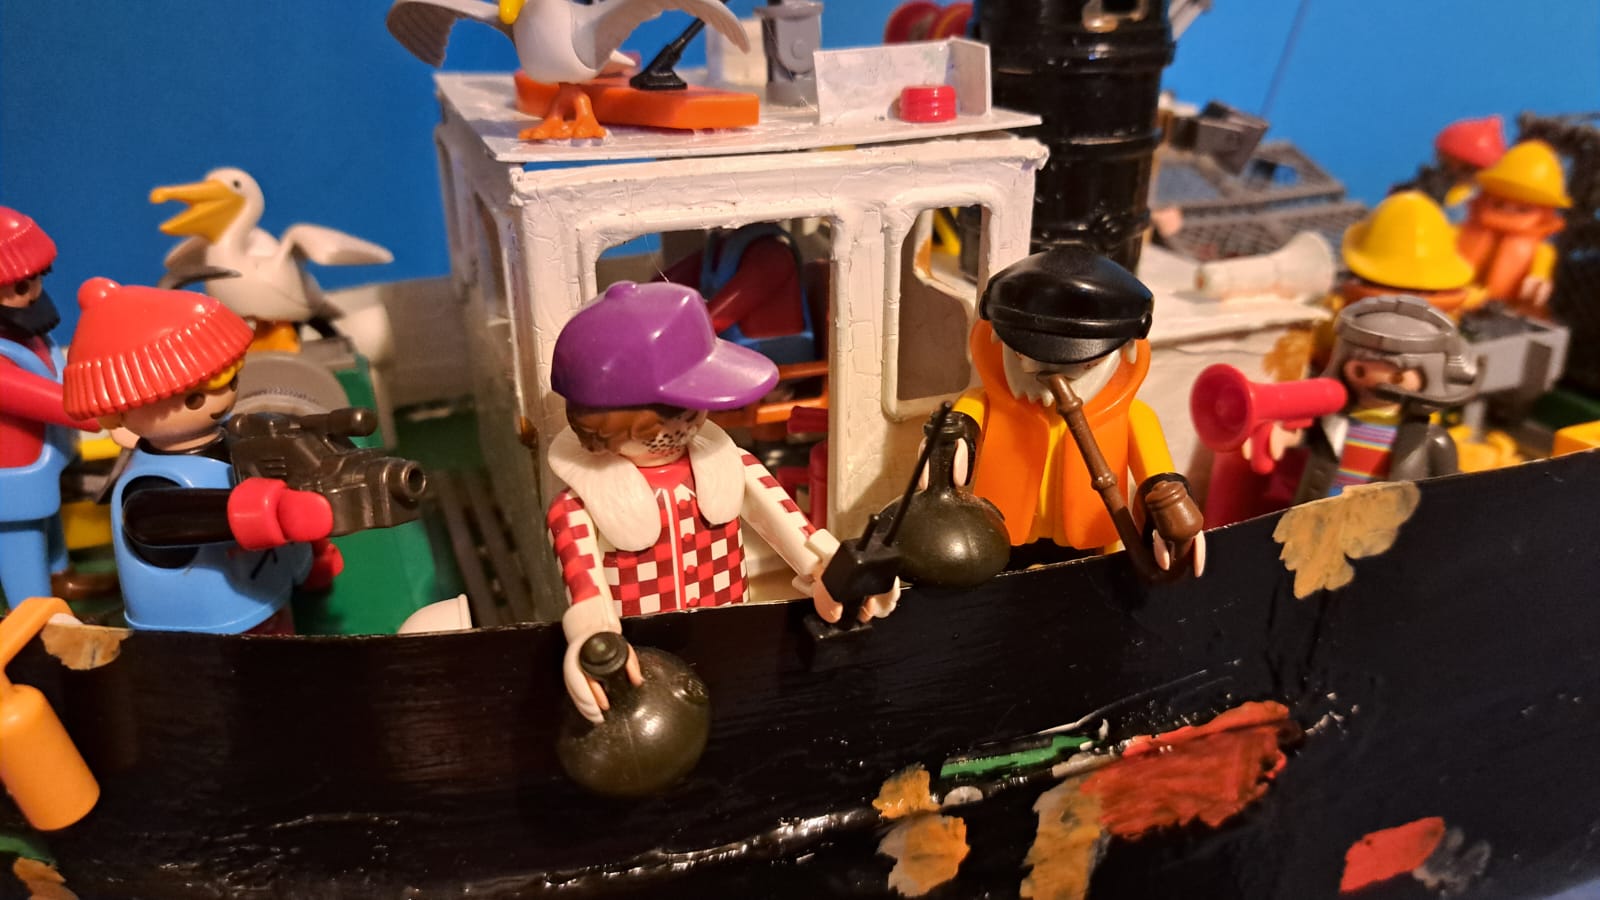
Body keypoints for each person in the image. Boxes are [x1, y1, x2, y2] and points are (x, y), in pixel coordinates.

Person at [545, 281, 897, 723]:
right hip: (644, 659)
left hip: (732, 636)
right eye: (685, 410)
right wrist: (591, 642)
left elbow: (794, 527)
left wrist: (832, 571)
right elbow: (585, 587)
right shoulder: (579, 504)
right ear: (616, 423)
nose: (698, 419)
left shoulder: (729, 464)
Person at [62, 278, 341, 632]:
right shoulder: (149, 487)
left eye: (230, 382)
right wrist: (275, 512)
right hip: (207, 625)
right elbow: (169, 517)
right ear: (119, 414)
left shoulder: (231, 435)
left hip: (265, 593)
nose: (221, 399)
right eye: (194, 397)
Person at [950, 246, 1204, 573]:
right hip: (997, 535)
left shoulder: (1133, 416)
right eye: (1023, 352)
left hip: (1090, 543)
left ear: (1126, 349)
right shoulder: (984, 404)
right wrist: (948, 447)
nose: (1051, 370)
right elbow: (958, 432)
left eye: (1085, 362)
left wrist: (1172, 519)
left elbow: (1158, 478)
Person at [0, 207, 110, 607]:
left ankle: (61, 577)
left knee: (48, 516)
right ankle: (34, 610)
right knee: (21, 532)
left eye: (38, 278)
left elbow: (57, 371)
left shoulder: (26, 332)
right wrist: (98, 410)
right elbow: (28, 394)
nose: (33, 293)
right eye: (19, 285)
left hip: (43, 452)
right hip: (10, 467)